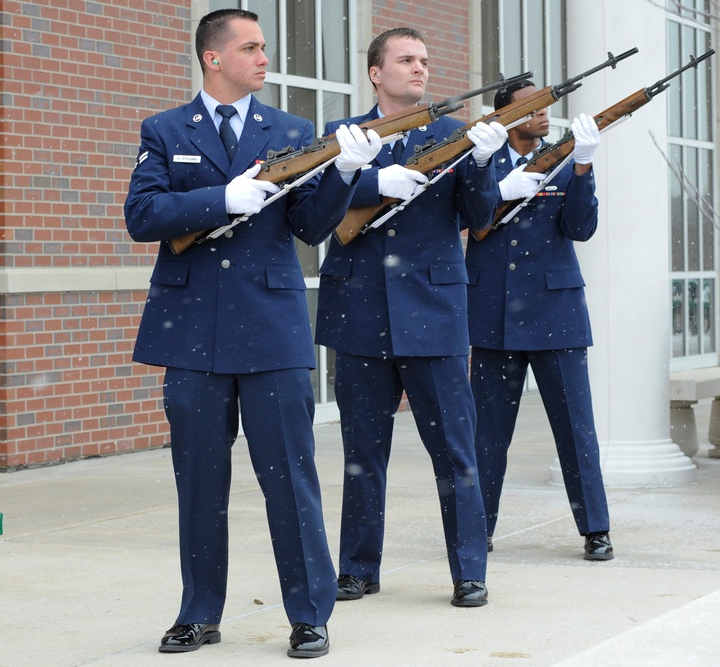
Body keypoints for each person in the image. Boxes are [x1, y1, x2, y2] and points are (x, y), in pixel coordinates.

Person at [123, 9, 382, 659]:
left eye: (264, 47)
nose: (265, 57)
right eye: (252, 47)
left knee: (291, 480)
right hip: (192, 334)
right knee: (200, 482)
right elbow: (143, 214)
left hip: (269, 329)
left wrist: (347, 173)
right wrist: (221, 200)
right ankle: (199, 611)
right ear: (214, 58)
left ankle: (309, 612)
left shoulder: (290, 131)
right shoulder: (165, 130)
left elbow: (312, 225)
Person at [315, 27, 509, 608]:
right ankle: (357, 567)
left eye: (424, 59)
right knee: (362, 452)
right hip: (360, 311)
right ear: (376, 72)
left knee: (455, 451)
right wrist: (370, 178)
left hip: (435, 314)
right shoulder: (343, 137)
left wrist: (481, 160)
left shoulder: (456, 135)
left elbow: (481, 218)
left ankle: (469, 569)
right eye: (406, 59)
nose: (419, 68)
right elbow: (314, 210)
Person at [465, 79, 614, 561]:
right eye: (532, 106)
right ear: (504, 114)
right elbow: (467, 222)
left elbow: (581, 229)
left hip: (556, 314)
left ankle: (595, 528)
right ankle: (477, 527)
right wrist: (497, 190)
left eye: (548, 106)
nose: (545, 114)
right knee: (487, 433)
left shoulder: (564, 160)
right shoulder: (480, 164)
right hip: (493, 313)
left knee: (575, 427)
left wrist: (585, 164)